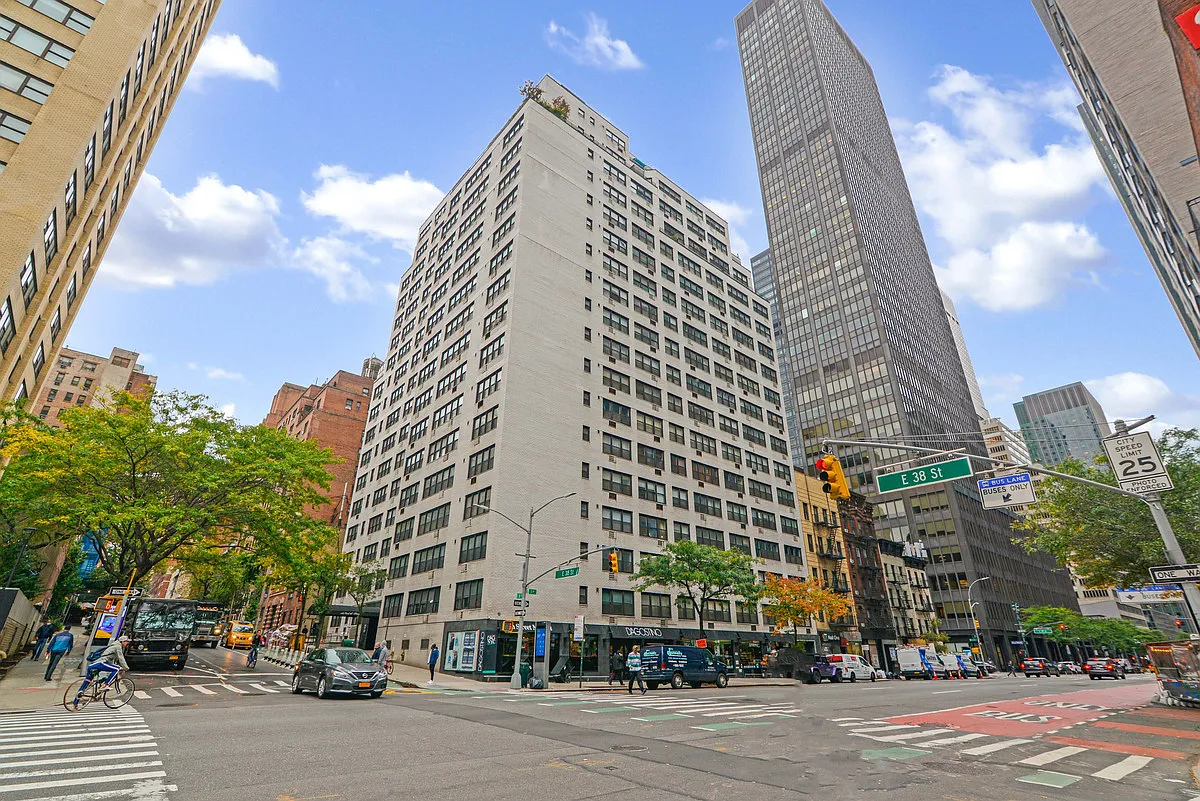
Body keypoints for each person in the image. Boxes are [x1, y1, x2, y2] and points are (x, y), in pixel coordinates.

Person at [74, 635, 129, 705]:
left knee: (86, 683)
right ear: (122, 641)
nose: (127, 643)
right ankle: (105, 685)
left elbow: (110, 661)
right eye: (126, 642)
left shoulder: (112, 646)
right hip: (100, 663)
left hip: (92, 665)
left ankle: (75, 702)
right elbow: (121, 658)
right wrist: (125, 667)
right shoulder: (117, 646)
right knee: (116, 669)